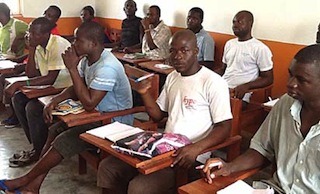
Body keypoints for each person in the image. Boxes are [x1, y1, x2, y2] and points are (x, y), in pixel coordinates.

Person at [0, 21, 133, 194]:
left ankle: (25, 180)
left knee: (64, 139)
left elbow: (89, 103)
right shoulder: (88, 59)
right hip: (97, 115)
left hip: (114, 121)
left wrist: (72, 69)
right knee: (55, 129)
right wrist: (55, 100)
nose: (73, 44)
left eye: (78, 40)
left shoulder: (107, 67)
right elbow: (77, 88)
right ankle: (33, 186)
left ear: (92, 44)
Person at [97, 29, 232, 194]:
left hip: (189, 157)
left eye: (184, 50)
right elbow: (158, 115)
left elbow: (224, 127)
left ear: (196, 52)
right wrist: (144, 94)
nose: (177, 56)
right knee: (108, 167)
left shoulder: (213, 82)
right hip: (162, 148)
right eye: (173, 51)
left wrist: (196, 148)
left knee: (139, 188)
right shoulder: (173, 77)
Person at [202, 44, 320, 194]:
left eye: (302, 80)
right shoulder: (285, 104)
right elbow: (261, 149)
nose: (290, 84)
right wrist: (229, 167)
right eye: (291, 75)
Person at [5, 17, 72, 167]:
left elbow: (50, 78)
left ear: (45, 34)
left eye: (34, 33)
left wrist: (19, 83)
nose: (29, 36)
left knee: (33, 108)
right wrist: (32, 49)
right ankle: (37, 146)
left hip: (64, 90)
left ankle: (39, 150)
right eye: (29, 32)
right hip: (49, 88)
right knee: (18, 99)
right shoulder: (39, 46)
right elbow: (31, 74)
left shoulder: (58, 45)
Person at [216, 10, 273, 105]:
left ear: (250, 24)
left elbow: (268, 78)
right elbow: (223, 69)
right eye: (234, 22)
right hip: (222, 89)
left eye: (239, 22)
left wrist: (246, 86)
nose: (235, 25)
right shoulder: (229, 44)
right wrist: (206, 75)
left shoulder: (260, 48)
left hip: (239, 94)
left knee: (218, 108)